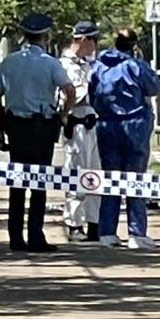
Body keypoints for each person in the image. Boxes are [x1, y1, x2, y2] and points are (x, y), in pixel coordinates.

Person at [0, 12, 76, 252]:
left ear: (24, 36)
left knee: (17, 183)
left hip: (16, 127)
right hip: (42, 127)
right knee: (39, 184)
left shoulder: (9, 62)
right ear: (45, 37)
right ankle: (36, 237)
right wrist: (62, 115)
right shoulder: (50, 63)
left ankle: (15, 238)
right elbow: (70, 90)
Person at [89, 27, 160, 250]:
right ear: (133, 45)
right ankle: (136, 233)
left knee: (111, 178)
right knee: (135, 178)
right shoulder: (135, 65)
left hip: (106, 124)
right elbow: (154, 87)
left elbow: (92, 95)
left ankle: (107, 232)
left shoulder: (98, 66)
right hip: (134, 124)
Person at [60, 20, 102, 242]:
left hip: (94, 123)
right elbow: (67, 97)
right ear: (83, 40)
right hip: (76, 124)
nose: (96, 45)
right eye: (94, 40)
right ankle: (74, 223)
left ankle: (94, 222)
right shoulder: (63, 65)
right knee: (75, 173)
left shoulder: (89, 64)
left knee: (96, 174)